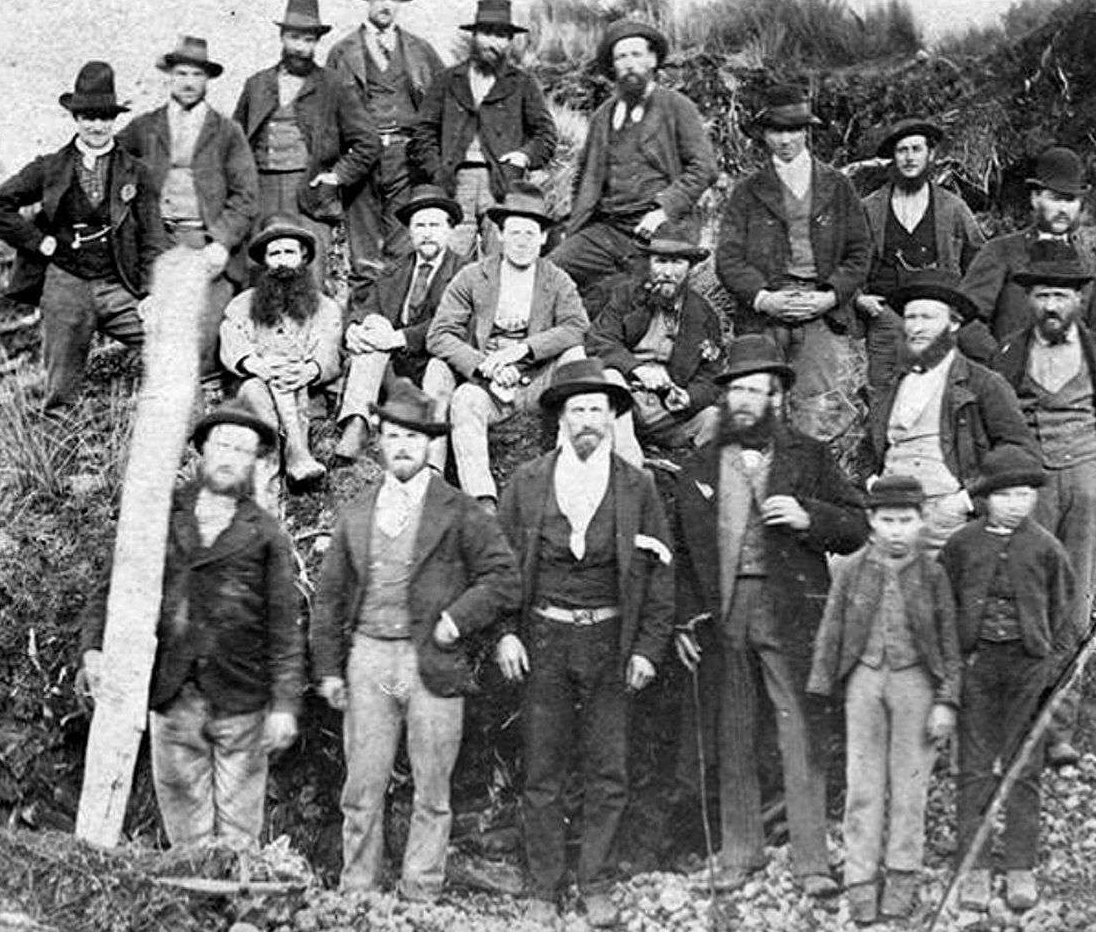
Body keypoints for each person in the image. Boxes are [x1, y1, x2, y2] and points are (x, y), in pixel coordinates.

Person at [673, 335, 868, 898]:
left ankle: (810, 862)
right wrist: (687, 618)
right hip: (725, 614)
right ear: (725, 397)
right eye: (738, 389)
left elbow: (858, 526)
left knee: (800, 733)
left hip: (792, 610)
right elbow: (684, 554)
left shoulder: (809, 456)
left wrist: (811, 516)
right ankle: (740, 853)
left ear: (777, 397)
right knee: (732, 733)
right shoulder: (701, 465)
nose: (746, 400)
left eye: (759, 390)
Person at [312, 379, 519, 898]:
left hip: (432, 662)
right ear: (378, 441)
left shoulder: (459, 509)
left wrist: (458, 618)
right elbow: (330, 597)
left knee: (433, 787)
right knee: (361, 786)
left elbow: (503, 576)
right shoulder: (357, 512)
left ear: (431, 444)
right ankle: (357, 890)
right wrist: (330, 668)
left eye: (414, 436)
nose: (402, 446)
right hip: (369, 661)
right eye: (393, 436)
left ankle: (421, 891)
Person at [495, 358, 675, 928]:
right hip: (543, 639)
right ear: (560, 419)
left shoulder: (637, 486)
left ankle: (596, 881)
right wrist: (504, 634)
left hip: (609, 642)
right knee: (543, 769)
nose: (588, 420)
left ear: (613, 418)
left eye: (598, 408)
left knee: (607, 770)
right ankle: (544, 887)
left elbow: (660, 574)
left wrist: (647, 648)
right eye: (577, 409)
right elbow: (499, 570)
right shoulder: (527, 483)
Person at [78, 399, 304, 847]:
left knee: (240, 838)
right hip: (172, 695)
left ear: (256, 462)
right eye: (222, 443)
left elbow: (284, 627)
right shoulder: (160, 514)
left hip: (240, 700)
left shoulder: (266, 534)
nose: (229, 457)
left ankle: (241, 911)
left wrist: (284, 705)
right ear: (201, 449)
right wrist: (93, 649)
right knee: (186, 838)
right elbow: (110, 587)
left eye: (243, 449)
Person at [994, 256, 1096, 767]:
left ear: (1080, 302)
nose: (1051, 306)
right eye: (1042, 295)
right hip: (1029, 489)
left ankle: (1059, 729)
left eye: (1061, 296)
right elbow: (992, 426)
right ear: (1029, 301)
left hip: (1087, 485)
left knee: (1075, 604)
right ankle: (1019, 725)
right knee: (1024, 598)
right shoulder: (1010, 353)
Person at [807, 475, 960, 925]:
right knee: (863, 783)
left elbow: (949, 641)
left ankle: (902, 874)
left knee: (910, 786)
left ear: (920, 522)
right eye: (887, 520)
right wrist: (821, 689)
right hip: (864, 683)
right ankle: (859, 878)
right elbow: (830, 631)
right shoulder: (852, 569)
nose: (896, 530)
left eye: (906, 520)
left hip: (916, 682)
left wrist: (946, 700)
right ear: (872, 521)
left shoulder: (932, 574)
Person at [940, 446, 1080, 914]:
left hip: (1026, 671)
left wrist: (1046, 668)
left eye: (1025, 494)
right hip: (976, 668)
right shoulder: (962, 545)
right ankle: (975, 866)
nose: (1018, 503)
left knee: (1024, 767)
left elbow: (1065, 616)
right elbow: (945, 604)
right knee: (974, 768)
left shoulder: (1046, 548)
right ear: (986, 498)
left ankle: (1021, 863)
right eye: (1007, 495)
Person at [0, 60, 164, 411]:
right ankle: (58, 465)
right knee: (61, 393)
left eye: (105, 117)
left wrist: (150, 292)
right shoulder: (50, 167)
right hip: (65, 285)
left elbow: (153, 237)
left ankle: (168, 442)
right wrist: (38, 242)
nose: (97, 125)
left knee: (169, 342)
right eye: (88, 117)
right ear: (76, 119)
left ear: (115, 119)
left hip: (119, 285)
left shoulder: (137, 172)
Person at [716, 84, 870, 442]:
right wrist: (764, 298)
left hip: (820, 309)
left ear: (807, 132)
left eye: (794, 130)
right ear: (764, 135)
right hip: (765, 311)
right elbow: (728, 257)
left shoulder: (838, 186)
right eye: (776, 131)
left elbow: (860, 252)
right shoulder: (747, 191)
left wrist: (830, 296)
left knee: (818, 410)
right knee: (754, 404)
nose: (785, 140)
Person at [426, 183, 589, 509]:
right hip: (485, 384)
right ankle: (481, 500)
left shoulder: (556, 279)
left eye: (531, 234)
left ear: (544, 238)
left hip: (539, 381)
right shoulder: (473, 277)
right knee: (460, 393)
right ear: (499, 235)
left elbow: (577, 326)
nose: (522, 242)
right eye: (514, 233)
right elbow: (439, 334)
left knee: (575, 355)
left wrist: (524, 349)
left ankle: (571, 469)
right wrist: (482, 365)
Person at [551, 19, 718, 316]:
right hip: (607, 228)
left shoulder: (676, 106)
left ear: (653, 60)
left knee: (641, 300)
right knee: (551, 273)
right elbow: (583, 177)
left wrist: (663, 210)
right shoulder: (603, 116)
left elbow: (704, 167)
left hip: (661, 229)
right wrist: (574, 229)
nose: (629, 64)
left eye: (636, 55)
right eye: (621, 57)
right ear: (613, 67)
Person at [118, 36, 259, 386]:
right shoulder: (144, 127)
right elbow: (111, 161)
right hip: (159, 244)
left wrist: (221, 243)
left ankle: (209, 407)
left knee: (209, 332)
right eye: (181, 72)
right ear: (170, 76)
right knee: (159, 331)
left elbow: (246, 195)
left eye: (197, 74)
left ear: (207, 80)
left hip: (205, 246)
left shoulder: (227, 131)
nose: (188, 82)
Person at [865, 272, 1036, 553]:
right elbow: (873, 448)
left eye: (928, 318)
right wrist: (871, 480)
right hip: (891, 519)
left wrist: (966, 502)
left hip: (946, 520)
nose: (916, 328)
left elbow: (1023, 453)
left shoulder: (983, 383)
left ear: (954, 323)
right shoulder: (892, 385)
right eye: (911, 318)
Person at [233, 0, 379, 289]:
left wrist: (336, 177)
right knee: (259, 279)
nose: (301, 47)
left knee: (309, 282)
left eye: (309, 40)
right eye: (295, 38)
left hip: (310, 196)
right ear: (282, 36)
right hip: (261, 193)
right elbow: (234, 144)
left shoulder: (333, 85)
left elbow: (368, 142)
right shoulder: (257, 84)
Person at [410, 0, 557, 257]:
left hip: (501, 183)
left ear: (510, 42)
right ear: (474, 37)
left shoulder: (522, 83)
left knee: (501, 260)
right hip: (455, 182)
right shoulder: (447, 80)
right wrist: (437, 170)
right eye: (486, 34)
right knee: (450, 260)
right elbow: (424, 131)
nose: (492, 42)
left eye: (501, 36)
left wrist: (524, 156)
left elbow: (545, 134)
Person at [333, 184, 468, 464]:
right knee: (372, 331)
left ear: (450, 229)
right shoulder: (395, 269)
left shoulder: (465, 272)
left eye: (435, 224)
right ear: (410, 232)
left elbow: (456, 323)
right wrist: (358, 328)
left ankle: (427, 453)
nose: (427, 232)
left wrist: (399, 337)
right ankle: (357, 423)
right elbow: (365, 307)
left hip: (435, 366)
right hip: (393, 370)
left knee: (395, 344)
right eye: (420, 226)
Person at [327, 0, 444, 270]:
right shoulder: (342, 52)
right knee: (363, 255)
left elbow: (442, 106)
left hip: (406, 160)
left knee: (402, 248)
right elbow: (327, 116)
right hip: (360, 159)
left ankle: (397, 318)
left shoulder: (421, 51)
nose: (386, 4)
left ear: (402, 2)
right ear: (368, 0)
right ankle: (361, 316)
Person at [857, 117, 985, 392]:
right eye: (902, 151)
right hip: (886, 315)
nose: (909, 158)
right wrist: (860, 299)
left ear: (931, 154)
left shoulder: (953, 209)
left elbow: (980, 263)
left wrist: (959, 308)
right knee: (883, 391)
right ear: (893, 157)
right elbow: (848, 259)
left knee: (939, 392)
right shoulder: (870, 208)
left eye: (916, 149)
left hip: (937, 316)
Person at [586, 221, 725, 467]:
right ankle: (629, 458)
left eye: (677, 263)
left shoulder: (704, 315)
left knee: (715, 418)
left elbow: (711, 376)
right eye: (661, 261)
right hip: (623, 406)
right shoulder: (625, 297)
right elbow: (600, 340)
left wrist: (688, 397)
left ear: (690, 267)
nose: (668, 272)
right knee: (609, 377)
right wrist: (636, 368)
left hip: (671, 415)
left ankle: (697, 482)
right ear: (649, 263)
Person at [220, 215, 343, 483]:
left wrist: (308, 371)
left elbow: (329, 352)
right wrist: (259, 366)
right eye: (275, 253)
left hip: (307, 394)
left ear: (303, 257)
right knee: (254, 387)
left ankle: (284, 460)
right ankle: (291, 455)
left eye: (290, 252)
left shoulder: (325, 307)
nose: (283, 260)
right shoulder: (243, 304)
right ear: (265, 261)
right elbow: (233, 345)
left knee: (284, 374)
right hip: (256, 391)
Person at [958, 147, 1096, 362]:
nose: (1063, 209)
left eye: (1071, 200)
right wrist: (1002, 361)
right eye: (1055, 198)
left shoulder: (1088, 263)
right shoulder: (1002, 252)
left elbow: (1094, 335)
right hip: (1010, 386)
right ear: (1035, 198)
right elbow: (966, 319)